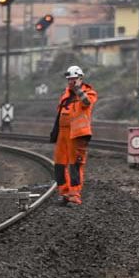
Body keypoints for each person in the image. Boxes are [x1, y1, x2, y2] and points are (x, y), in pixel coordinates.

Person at [51, 65, 98, 205]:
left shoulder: (89, 93)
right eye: (69, 79)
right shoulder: (65, 94)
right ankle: (64, 192)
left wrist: (78, 89)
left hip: (77, 134)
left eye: (74, 79)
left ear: (80, 78)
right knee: (59, 164)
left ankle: (74, 194)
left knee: (75, 165)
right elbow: (60, 113)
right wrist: (55, 132)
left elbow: (86, 103)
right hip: (63, 134)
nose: (71, 82)